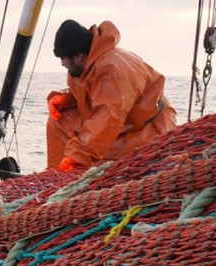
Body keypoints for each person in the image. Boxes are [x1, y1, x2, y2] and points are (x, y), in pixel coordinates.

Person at [46, 20, 177, 171]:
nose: (62, 63)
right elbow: (95, 93)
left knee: (101, 161)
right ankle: (58, 174)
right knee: (59, 119)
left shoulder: (111, 69)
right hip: (123, 124)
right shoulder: (88, 64)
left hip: (146, 128)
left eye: (63, 58)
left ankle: (74, 168)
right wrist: (65, 99)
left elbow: (108, 115)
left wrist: (78, 155)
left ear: (79, 56)